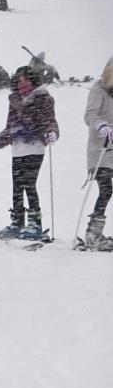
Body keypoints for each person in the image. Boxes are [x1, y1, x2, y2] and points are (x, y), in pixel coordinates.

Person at [0, 66, 59, 240]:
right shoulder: (14, 100)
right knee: (17, 186)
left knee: (29, 184)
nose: (23, 84)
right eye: (19, 81)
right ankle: (17, 221)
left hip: (35, 147)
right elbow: (10, 127)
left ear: (33, 81)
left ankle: (35, 223)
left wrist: (51, 132)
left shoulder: (43, 98)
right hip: (18, 149)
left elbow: (49, 120)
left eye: (26, 80)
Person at [79, 56, 113, 251]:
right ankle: (93, 233)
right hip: (100, 149)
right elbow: (90, 114)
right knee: (106, 189)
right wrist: (101, 125)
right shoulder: (98, 89)